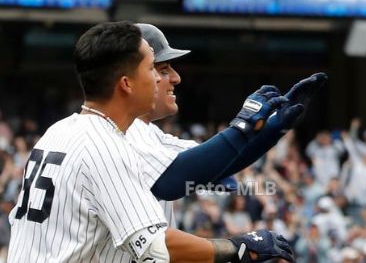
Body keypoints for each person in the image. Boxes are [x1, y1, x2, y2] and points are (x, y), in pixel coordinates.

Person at [7, 21, 294, 262]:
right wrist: (238, 248)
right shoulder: (105, 144)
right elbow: (155, 246)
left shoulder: (61, 130)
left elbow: (209, 166)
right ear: (126, 83)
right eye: (152, 70)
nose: (164, 79)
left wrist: (269, 131)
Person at [126, 23, 326, 227]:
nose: (176, 78)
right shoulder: (123, 132)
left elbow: (221, 165)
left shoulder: (149, 133)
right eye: (162, 69)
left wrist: (275, 127)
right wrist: (242, 126)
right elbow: (171, 181)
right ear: (129, 78)